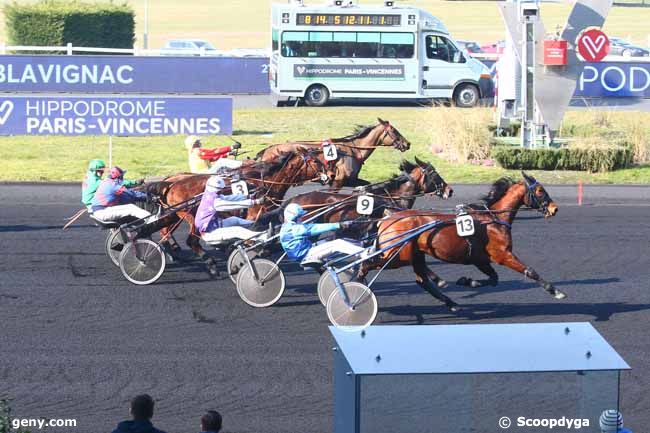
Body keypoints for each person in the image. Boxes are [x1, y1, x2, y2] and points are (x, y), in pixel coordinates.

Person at [279, 203, 366, 266]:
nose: (301, 218)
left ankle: (361, 245)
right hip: (306, 255)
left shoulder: (287, 227)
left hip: (306, 250)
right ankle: (364, 254)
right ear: (293, 217)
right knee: (337, 244)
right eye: (300, 216)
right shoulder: (295, 229)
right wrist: (338, 225)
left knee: (331, 239)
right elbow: (315, 228)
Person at [195, 175, 267, 244]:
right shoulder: (216, 202)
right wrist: (255, 202)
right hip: (210, 234)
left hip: (215, 226)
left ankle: (256, 225)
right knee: (237, 230)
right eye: (221, 189)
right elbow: (234, 205)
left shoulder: (210, 193)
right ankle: (263, 237)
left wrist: (248, 196)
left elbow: (228, 198)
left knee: (234, 219)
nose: (222, 191)